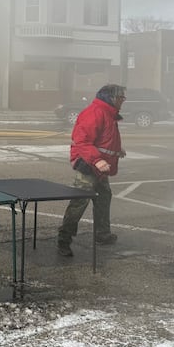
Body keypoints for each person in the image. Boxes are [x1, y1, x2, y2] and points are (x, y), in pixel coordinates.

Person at [57, 83, 127, 257]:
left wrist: (117, 151)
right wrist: (97, 161)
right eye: (121, 97)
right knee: (79, 202)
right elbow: (82, 141)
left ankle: (102, 234)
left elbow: (104, 139)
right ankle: (63, 240)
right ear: (111, 98)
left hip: (99, 166)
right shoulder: (95, 113)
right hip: (88, 165)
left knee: (104, 197)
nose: (123, 101)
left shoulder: (108, 113)